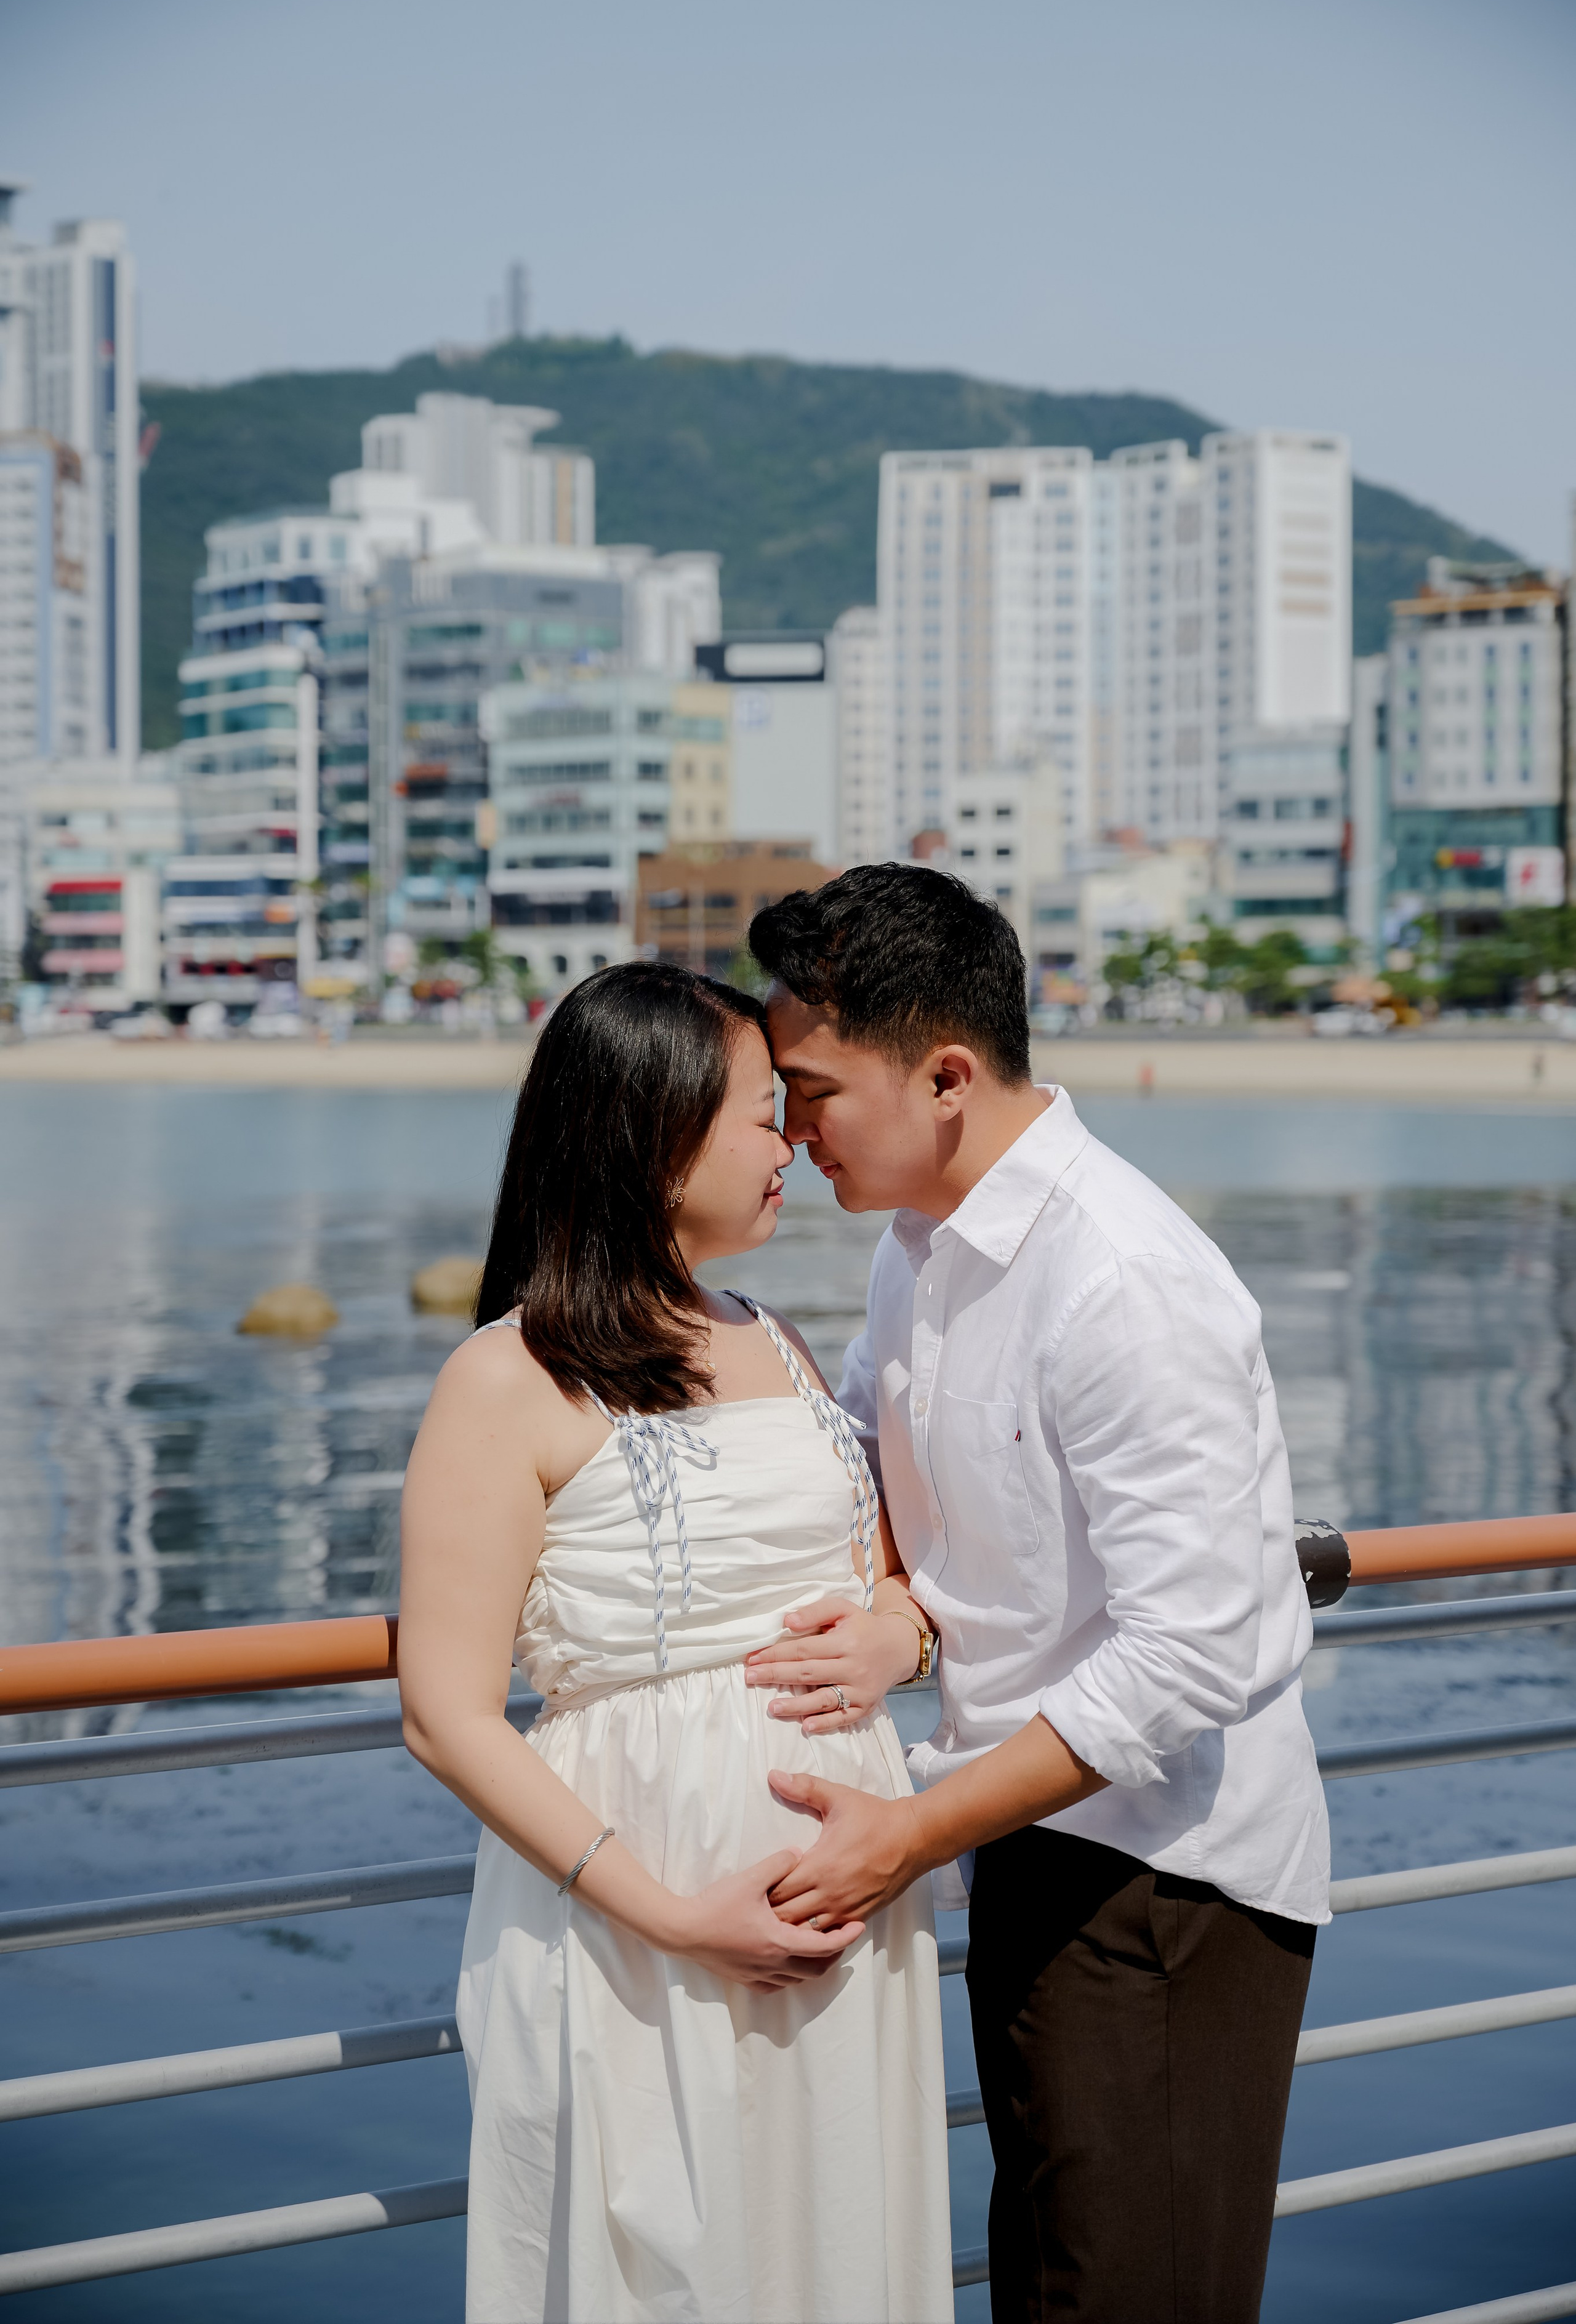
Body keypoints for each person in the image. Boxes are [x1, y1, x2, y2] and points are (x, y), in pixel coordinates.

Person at [742, 864, 1330, 2324]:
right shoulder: (916, 1251)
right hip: (1021, 1829)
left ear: (944, 1073)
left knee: (1131, 2292)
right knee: (1053, 2280)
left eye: (809, 1090)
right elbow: (884, 1476)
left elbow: (1189, 1650)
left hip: (1163, 1876)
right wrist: (903, 1609)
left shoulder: (1118, 1274)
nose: (788, 1127)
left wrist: (907, 1833)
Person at [398, 960, 954, 2324]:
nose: (793, 1143)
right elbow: (447, 1708)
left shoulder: (777, 1340)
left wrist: (899, 1636)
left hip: (841, 1908)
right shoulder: (507, 1373)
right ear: (652, 1134)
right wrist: (673, 1911)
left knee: (827, 2249)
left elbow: (884, 1578)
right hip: (636, 1914)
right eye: (764, 1113)